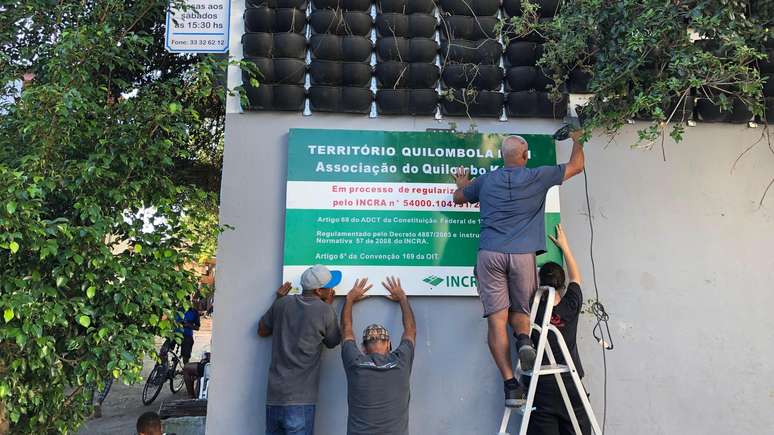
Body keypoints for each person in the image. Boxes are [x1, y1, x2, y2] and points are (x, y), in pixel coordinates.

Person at [452, 131, 585, 406]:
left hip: (490, 253)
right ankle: (524, 338)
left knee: (496, 320)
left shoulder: (486, 181)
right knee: (522, 310)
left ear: (503, 157)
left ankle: (510, 385)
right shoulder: (537, 176)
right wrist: (578, 139)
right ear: (525, 157)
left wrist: (463, 184)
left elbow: (458, 198)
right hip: (522, 254)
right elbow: (577, 167)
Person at [258, 265, 342, 435]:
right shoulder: (325, 311)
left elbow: (262, 330)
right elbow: (333, 341)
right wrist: (328, 309)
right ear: (319, 291)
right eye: (329, 286)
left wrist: (278, 300)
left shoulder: (282, 303)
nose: (332, 289)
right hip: (300, 400)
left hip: (275, 397)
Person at [525, 224, 591, 435]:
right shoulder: (571, 304)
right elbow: (576, 277)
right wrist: (565, 246)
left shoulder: (532, 310)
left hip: (542, 386)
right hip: (571, 385)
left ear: (539, 283)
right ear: (562, 285)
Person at [340, 277, 416, 435]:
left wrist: (349, 299)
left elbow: (346, 328)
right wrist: (402, 297)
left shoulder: (355, 363)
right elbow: (410, 330)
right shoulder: (401, 361)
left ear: (363, 348)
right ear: (388, 344)